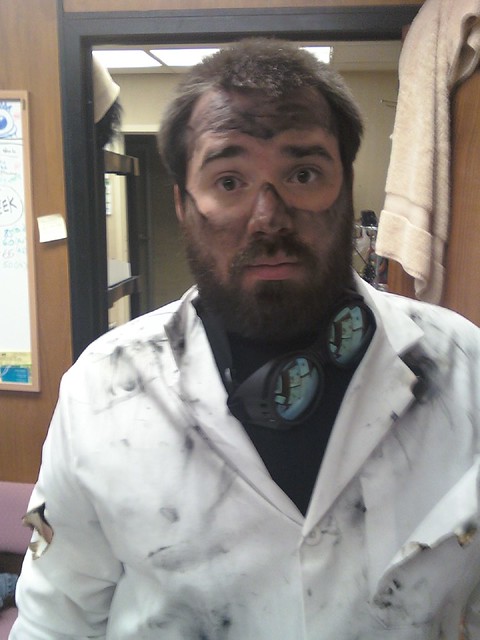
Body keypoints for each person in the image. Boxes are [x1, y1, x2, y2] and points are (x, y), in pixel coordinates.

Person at [10, 38, 480, 639]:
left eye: (303, 174)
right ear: (182, 204)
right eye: (229, 180)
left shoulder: (462, 369)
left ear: (347, 187)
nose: (268, 219)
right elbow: (55, 622)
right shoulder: (101, 391)